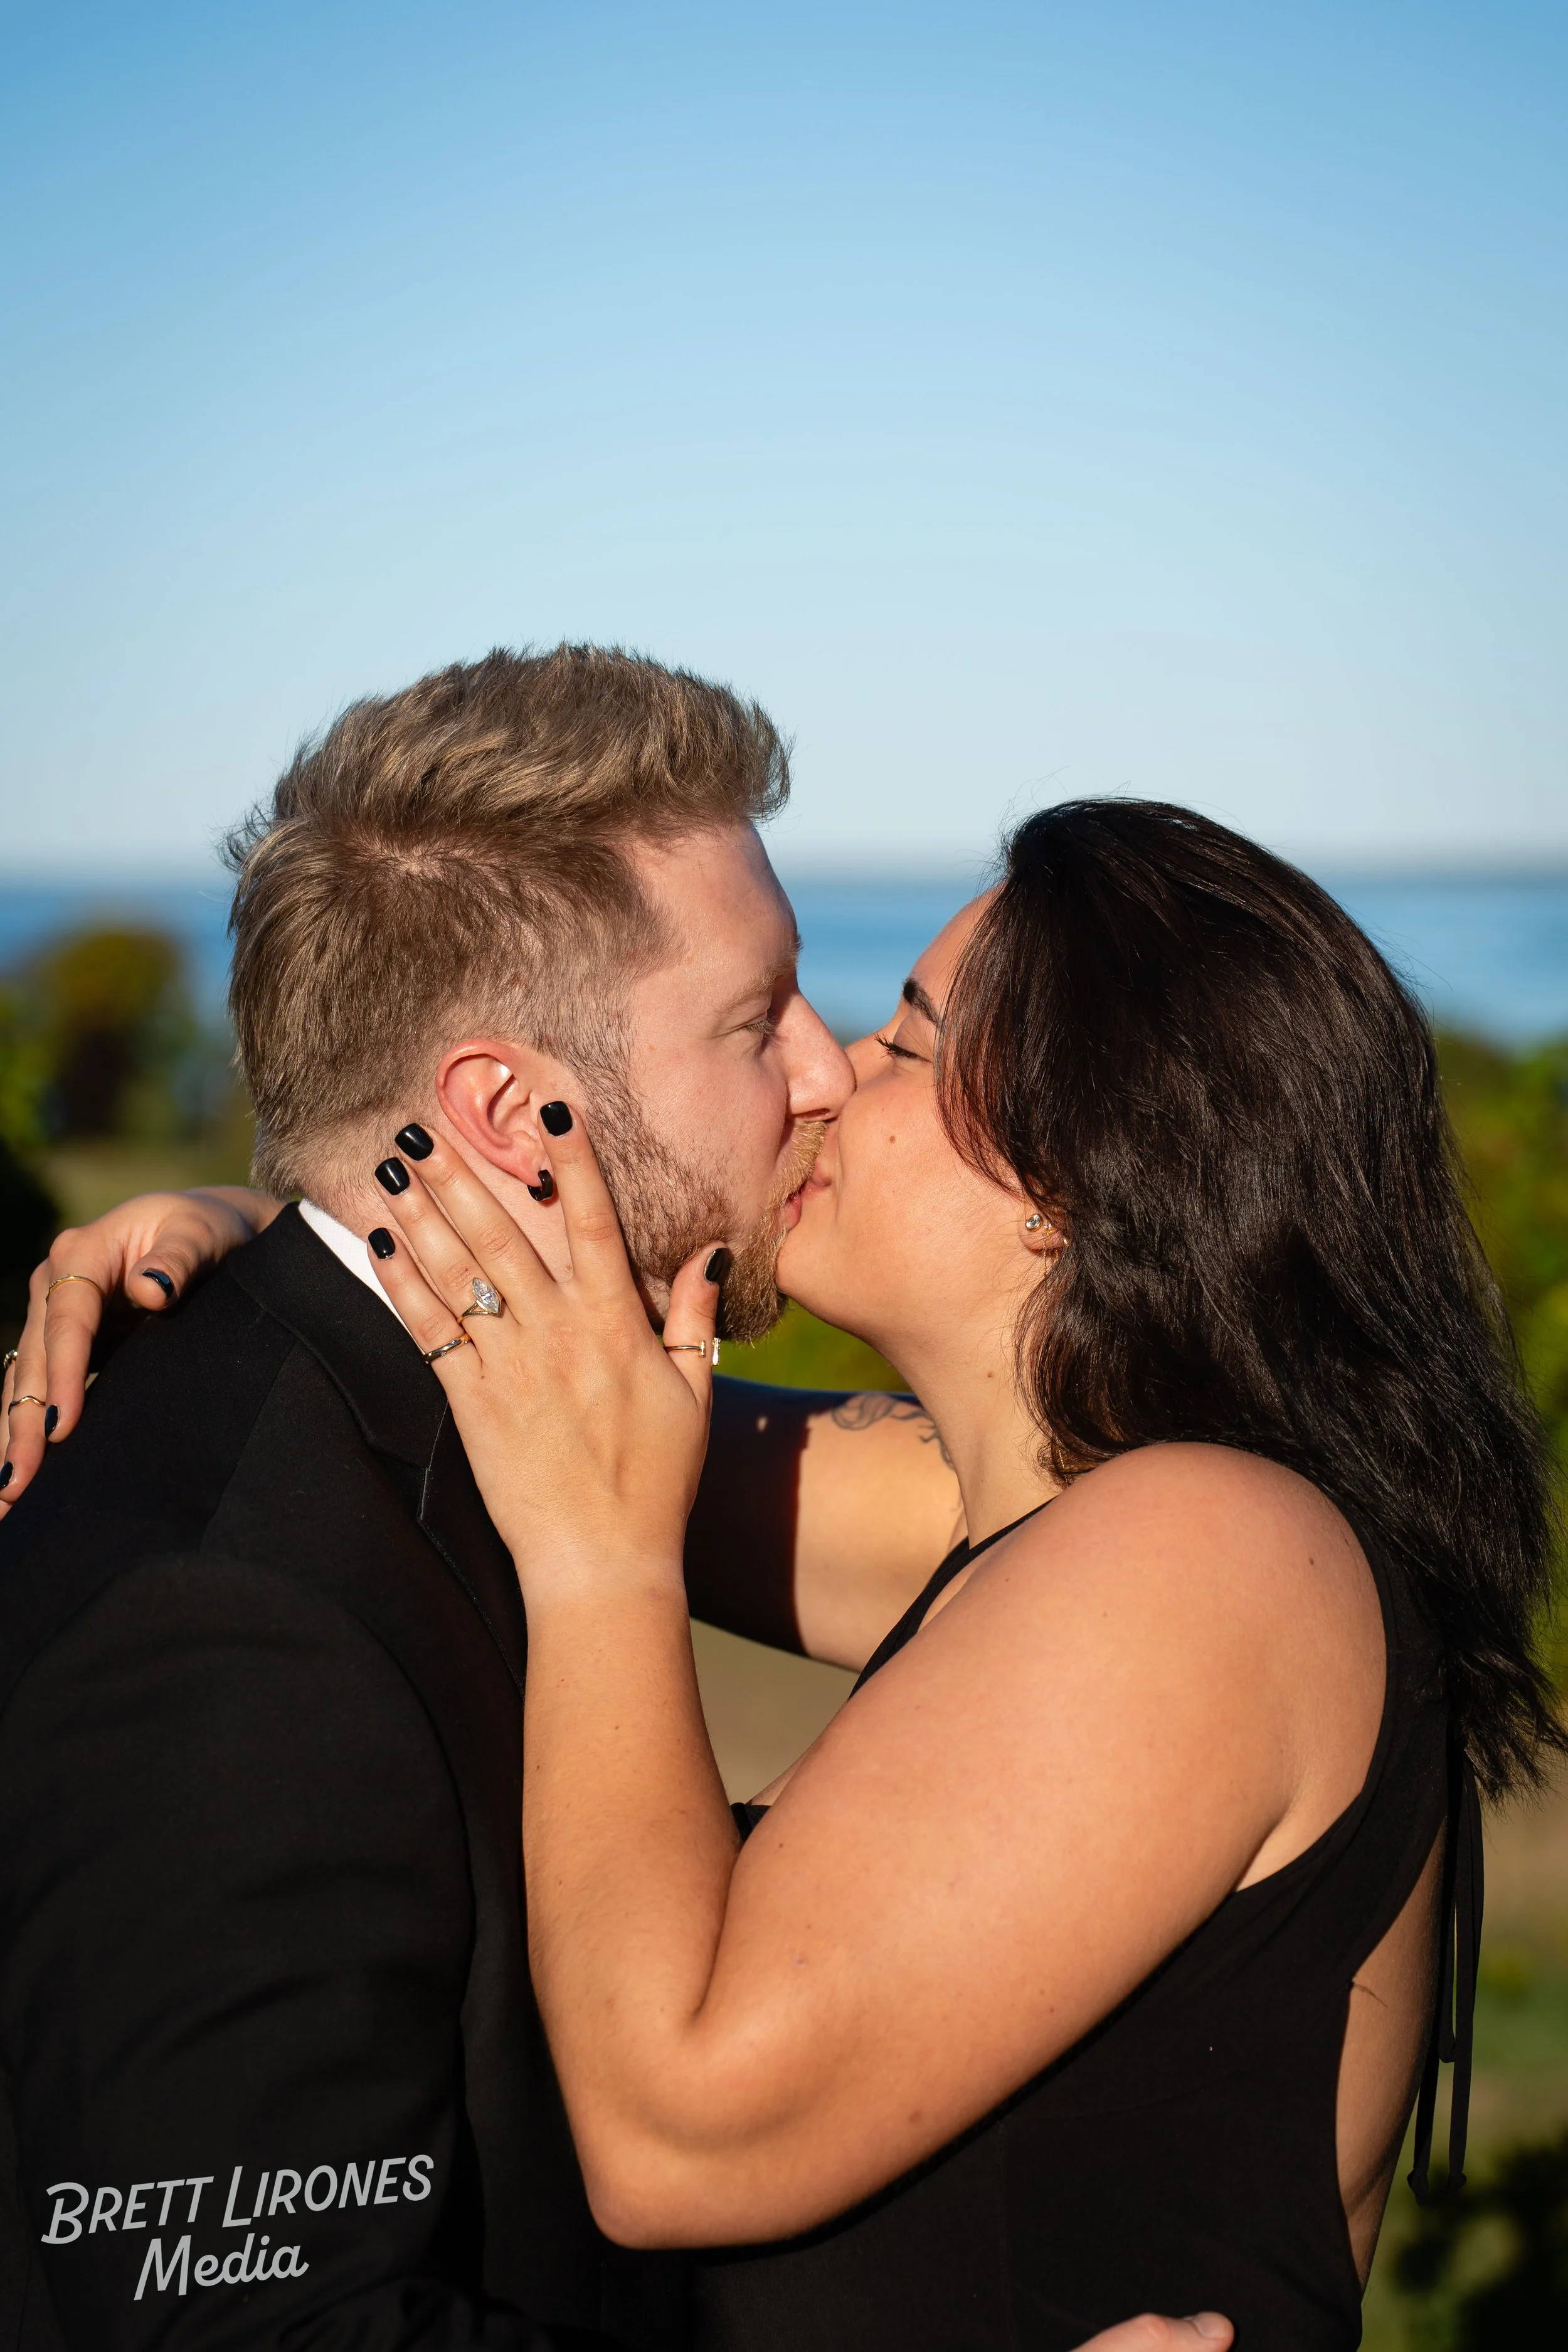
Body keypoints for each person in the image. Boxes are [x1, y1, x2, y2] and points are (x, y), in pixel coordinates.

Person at [125, 800, 1555, 2349]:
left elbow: (679, 2132)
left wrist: (601, 1569)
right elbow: (540, 1381)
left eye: (900, 1045)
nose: (821, 1081)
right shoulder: (1049, 1519)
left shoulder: (1205, 1556)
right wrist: (261, 1242)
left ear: (1069, 1178)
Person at [0, 649, 1217, 2352]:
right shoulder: (229, 1616)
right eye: (753, 1016)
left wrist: (273, 1225)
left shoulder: (516, 1439)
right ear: (512, 1115)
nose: (824, 1072)